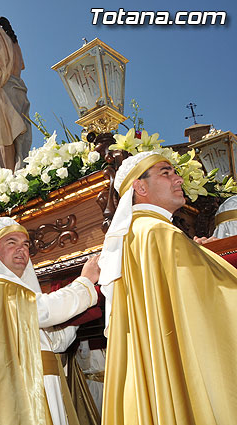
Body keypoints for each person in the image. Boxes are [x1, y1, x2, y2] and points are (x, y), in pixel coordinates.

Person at [98, 151, 237, 424]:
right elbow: (210, 298)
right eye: (166, 172)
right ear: (140, 187)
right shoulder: (160, 233)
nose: (178, 178)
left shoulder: (135, 234)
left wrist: (199, 255)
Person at [0, 217, 100, 425]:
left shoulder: (11, 292)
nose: (21, 250)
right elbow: (46, 311)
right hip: (24, 390)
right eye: (11, 243)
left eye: (25, 245)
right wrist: (85, 282)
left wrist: (76, 317)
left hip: (41, 381)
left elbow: (54, 342)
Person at [0, 4, 32, 171]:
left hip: (4, 89)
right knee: (22, 133)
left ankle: (11, 174)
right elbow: (21, 66)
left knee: (5, 137)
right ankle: (22, 166)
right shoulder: (15, 45)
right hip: (19, 88)